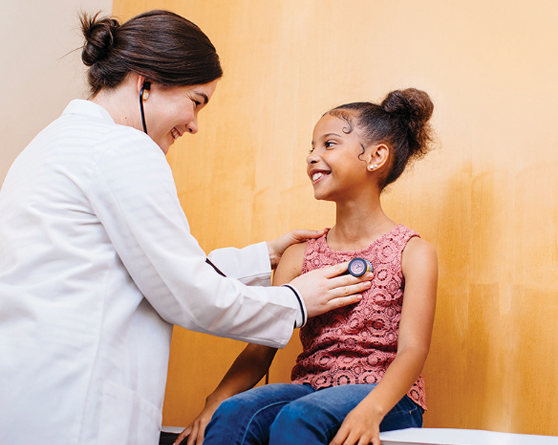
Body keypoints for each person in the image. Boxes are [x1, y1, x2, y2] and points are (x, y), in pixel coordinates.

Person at [0, 10, 372, 445]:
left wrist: (263, 256)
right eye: (196, 101)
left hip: (4, 397)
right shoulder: (124, 150)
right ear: (145, 83)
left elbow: (142, 268)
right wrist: (295, 301)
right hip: (71, 407)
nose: (194, 124)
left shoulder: (48, 145)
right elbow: (185, 293)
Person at [176, 88, 438, 445]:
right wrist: (215, 402)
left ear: (376, 157)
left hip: (389, 398)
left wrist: (370, 410)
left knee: (300, 418)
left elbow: (413, 351)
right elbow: (260, 346)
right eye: (311, 148)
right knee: (234, 414)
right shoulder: (298, 256)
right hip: (310, 389)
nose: (313, 157)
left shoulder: (413, 252)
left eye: (328, 144)